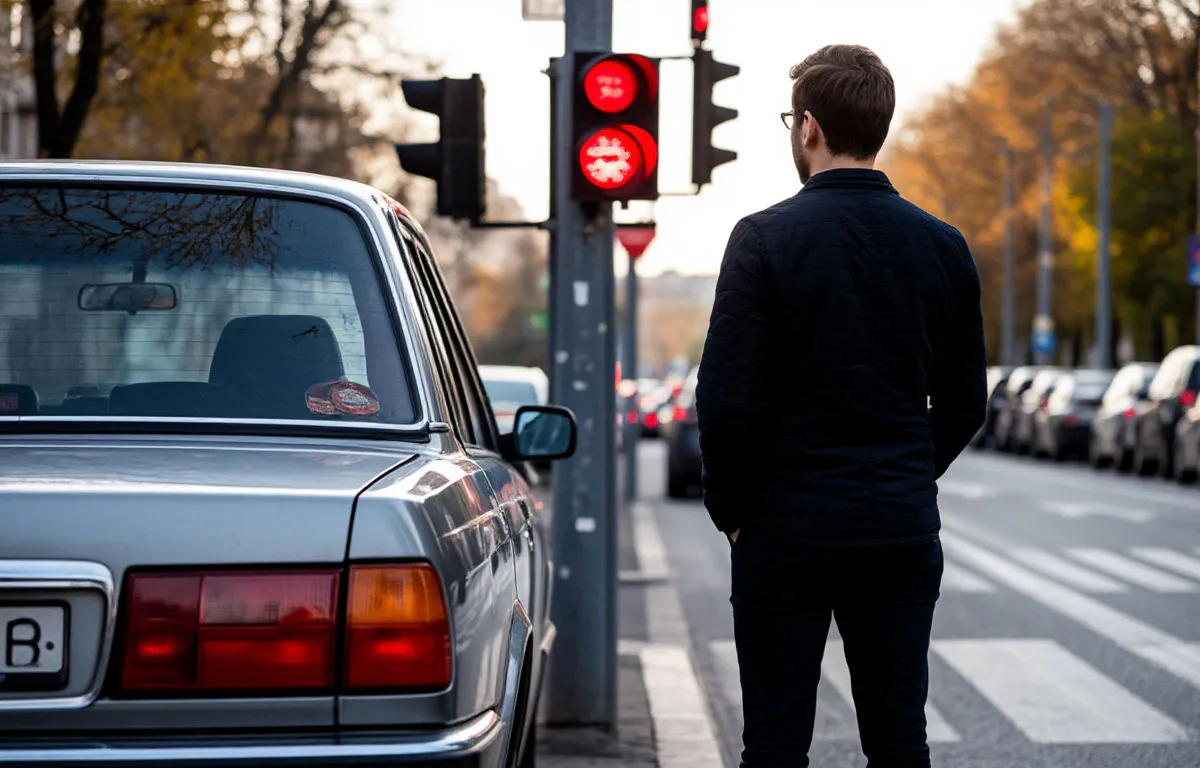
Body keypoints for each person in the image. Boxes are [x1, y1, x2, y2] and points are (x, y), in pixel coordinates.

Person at [695, 44, 986, 768]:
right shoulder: (944, 246)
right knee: (897, 737)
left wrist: (732, 511)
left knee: (775, 739)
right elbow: (966, 402)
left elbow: (727, 401)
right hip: (897, 527)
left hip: (784, 529)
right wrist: (908, 474)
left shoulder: (762, 240)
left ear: (810, 128)